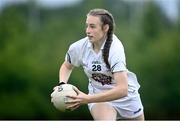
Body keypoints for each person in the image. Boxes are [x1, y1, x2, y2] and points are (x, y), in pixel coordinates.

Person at [56, 8, 144, 120]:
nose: (87, 30)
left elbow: (122, 89)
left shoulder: (115, 49)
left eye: (92, 26)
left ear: (105, 28)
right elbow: (67, 66)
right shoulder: (79, 47)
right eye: (87, 26)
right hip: (98, 98)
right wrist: (62, 84)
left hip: (127, 98)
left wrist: (87, 99)